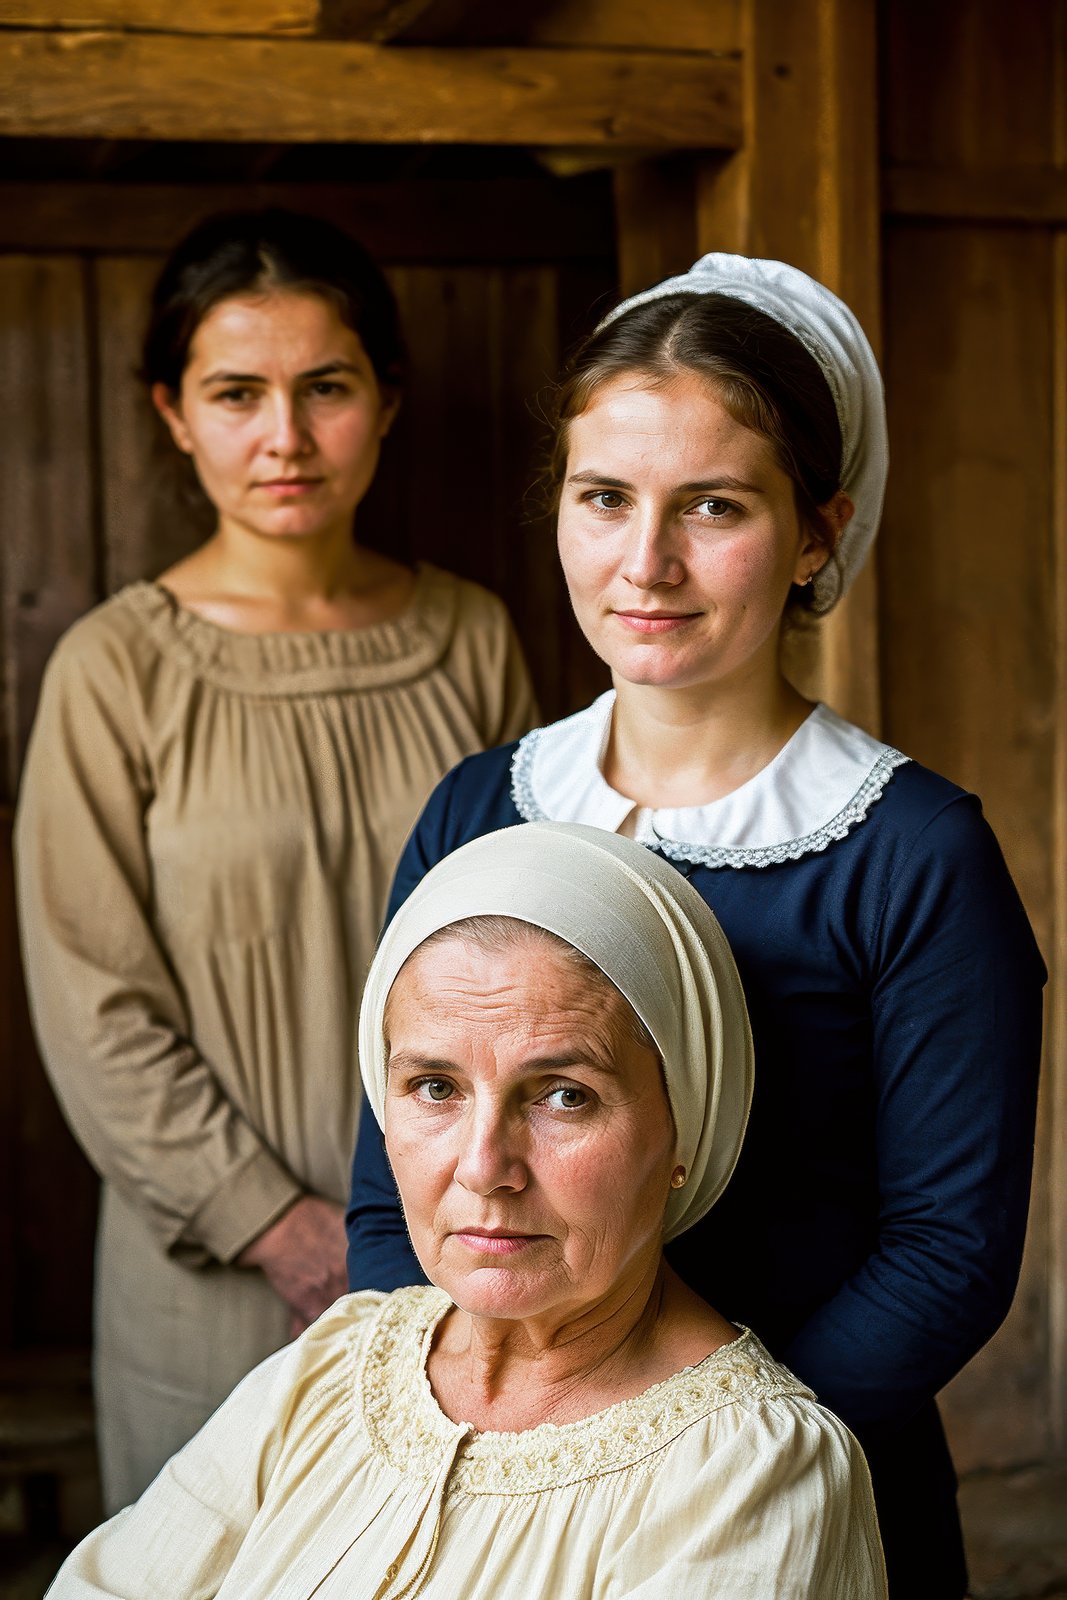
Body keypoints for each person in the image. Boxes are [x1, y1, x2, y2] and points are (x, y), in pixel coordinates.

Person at [346, 254, 1045, 1599]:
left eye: (711, 506)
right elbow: (392, 1180)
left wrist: (710, 1463)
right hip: (489, 1470)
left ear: (815, 530)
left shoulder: (908, 853)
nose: (643, 562)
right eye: (603, 498)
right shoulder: (479, 808)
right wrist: (460, 1425)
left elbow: (945, 1252)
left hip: (791, 1474)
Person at [15, 207, 536, 1512]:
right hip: (209, 1277)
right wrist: (283, 1229)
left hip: (459, 1247)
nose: (284, 439)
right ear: (172, 412)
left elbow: (536, 950)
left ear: (388, 400)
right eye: (235, 393)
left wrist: (447, 1220)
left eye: (326, 389)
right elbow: (95, 1009)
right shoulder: (114, 670)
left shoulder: (470, 640)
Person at [47, 822, 887, 1599]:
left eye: (564, 1096)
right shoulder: (335, 1368)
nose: (485, 1167)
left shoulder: (751, 1478)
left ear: (684, 1128)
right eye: (435, 1088)